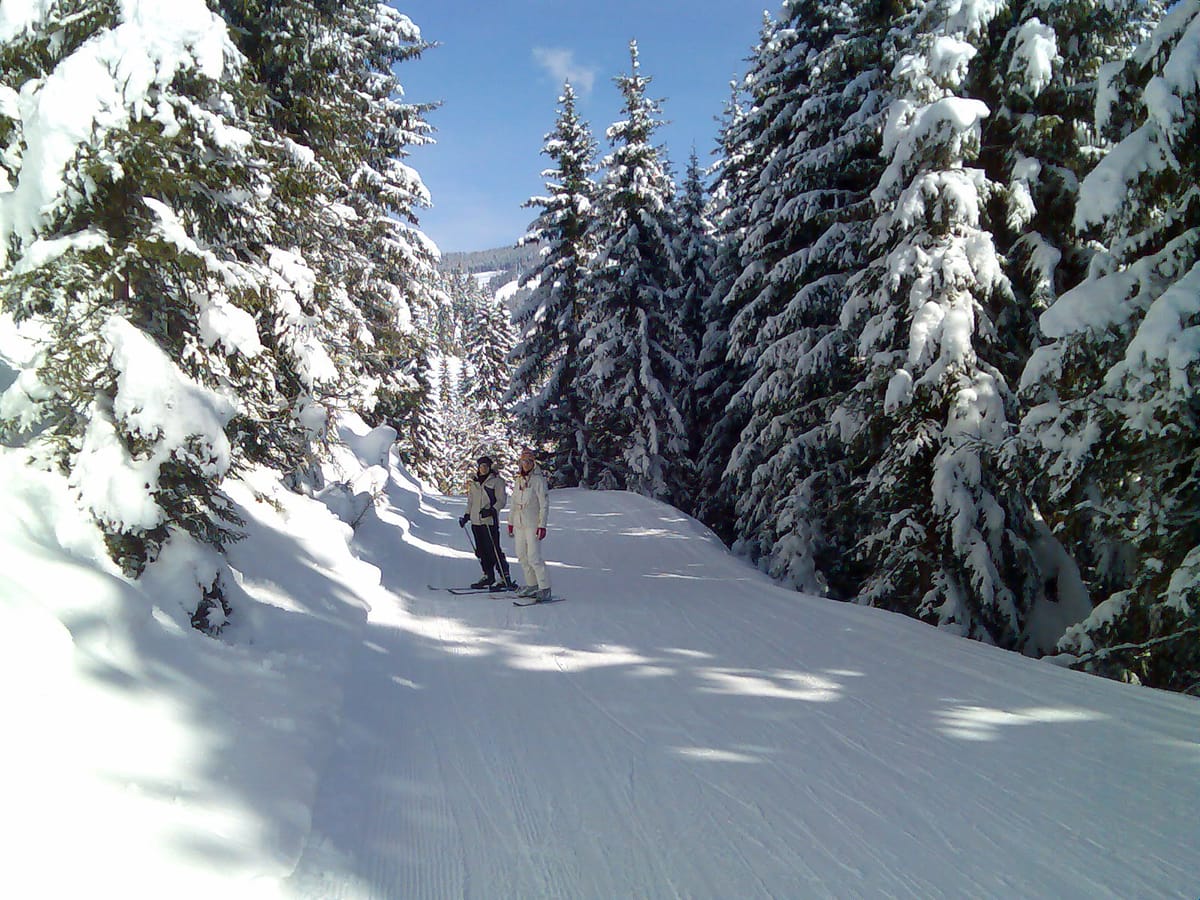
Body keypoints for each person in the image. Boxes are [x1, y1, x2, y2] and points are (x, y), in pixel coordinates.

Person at [458, 456, 517, 590]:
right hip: (476, 522)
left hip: (489, 522)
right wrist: (466, 516)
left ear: (489, 467)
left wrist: (492, 510)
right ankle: (488, 576)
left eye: (485, 466)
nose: (483, 468)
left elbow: (501, 500)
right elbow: (471, 501)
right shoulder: (475, 482)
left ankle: (504, 577)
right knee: (480, 551)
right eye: (481, 466)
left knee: (493, 550)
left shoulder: (497, 481)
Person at [507, 447, 551, 601]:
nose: (525, 464)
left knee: (534, 557)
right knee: (522, 556)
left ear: (533, 463)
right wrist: (510, 522)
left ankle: (544, 587)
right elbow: (513, 502)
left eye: (528, 462)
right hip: (519, 523)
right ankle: (532, 585)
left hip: (532, 523)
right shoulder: (518, 480)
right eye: (523, 461)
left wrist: (542, 525)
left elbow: (544, 503)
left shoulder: (538, 480)